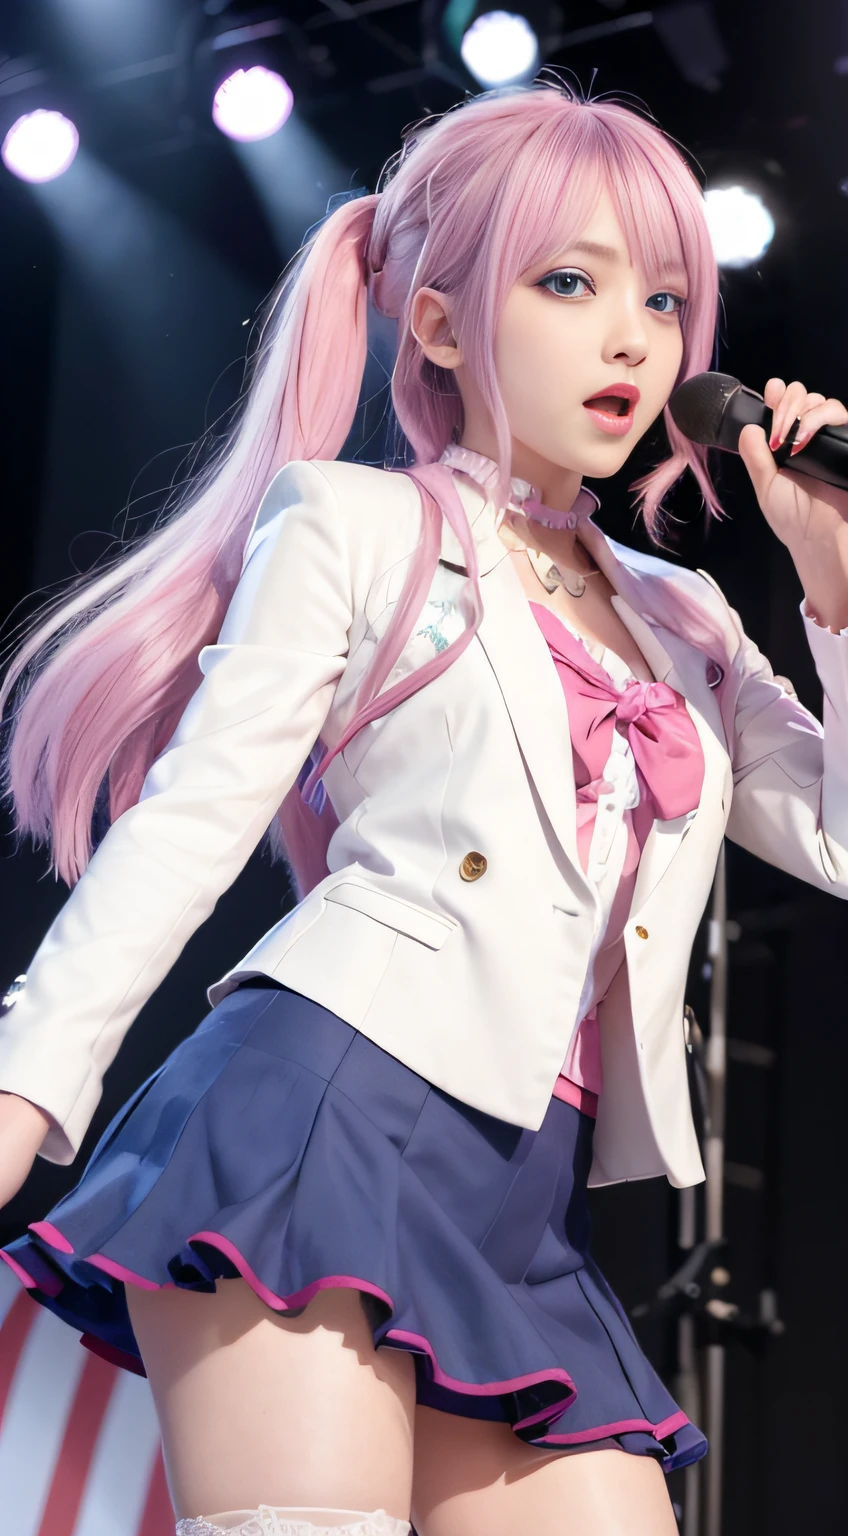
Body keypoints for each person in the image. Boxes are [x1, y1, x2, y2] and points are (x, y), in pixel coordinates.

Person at [2, 77, 848, 1536]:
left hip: (526, 1189)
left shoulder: (688, 616)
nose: (632, 339)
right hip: (323, 1108)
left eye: (662, 298)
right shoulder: (356, 522)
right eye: (570, 283)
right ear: (444, 326)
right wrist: (23, 1084)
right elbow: (192, 823)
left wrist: (833, 593)